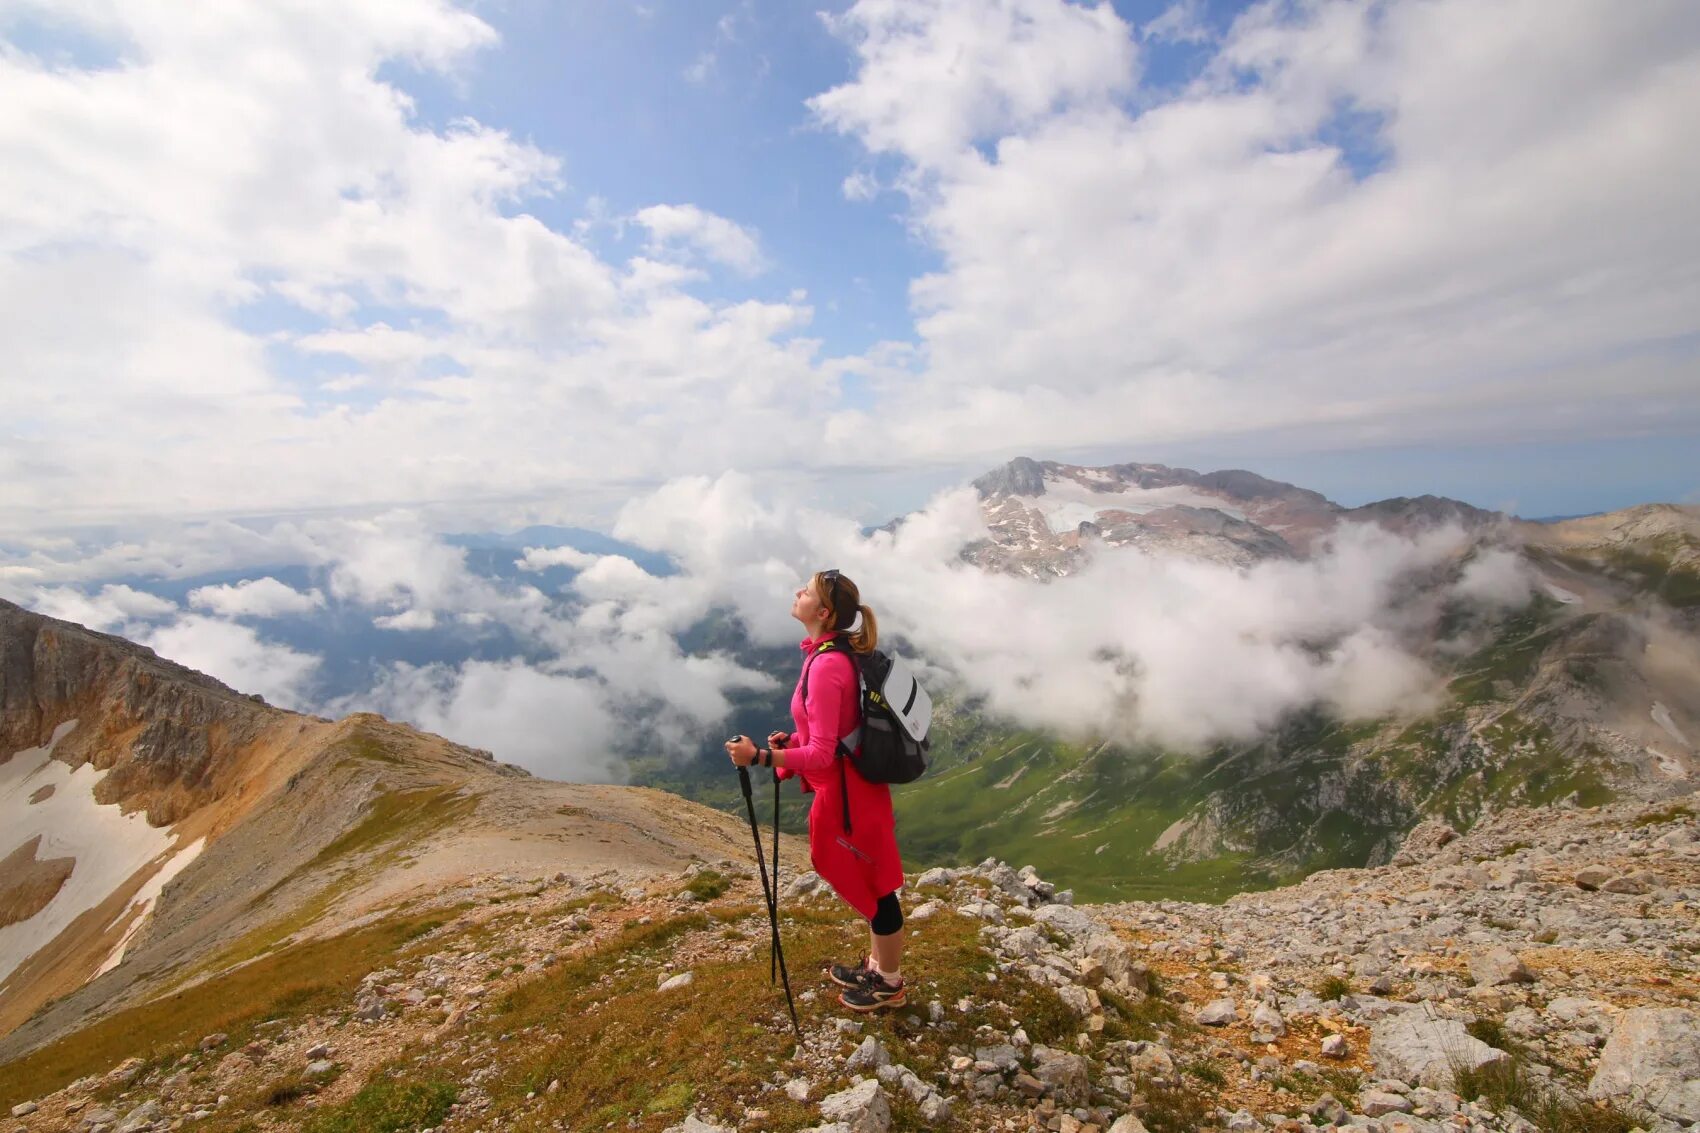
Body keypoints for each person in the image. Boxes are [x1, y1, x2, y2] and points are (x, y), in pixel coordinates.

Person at [724, 569, 908, 1012]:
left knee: (878, 888)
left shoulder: (827, 665)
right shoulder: (829, 653)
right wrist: (790, 747)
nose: (797, 593)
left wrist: (762, 759)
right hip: (854, 791)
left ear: (823, 612)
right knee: (872, 881)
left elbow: (824, 754)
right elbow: (830, 736)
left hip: (850, 800)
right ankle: (879, 967)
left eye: (805, 591)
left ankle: (889, 984)